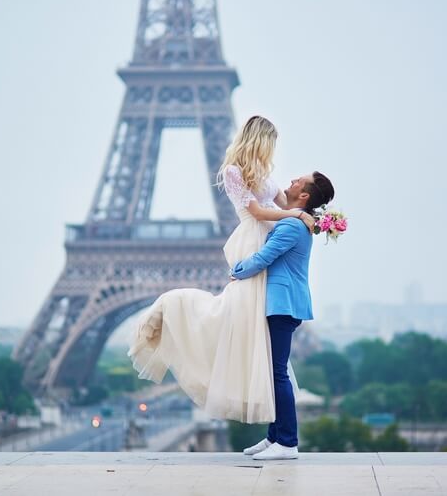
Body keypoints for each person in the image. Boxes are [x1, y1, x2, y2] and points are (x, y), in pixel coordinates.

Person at [128, 115, 315, 424]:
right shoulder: (233, 171)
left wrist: (312, 215)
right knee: (237, 311)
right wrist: (295, 215)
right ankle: (172, 310)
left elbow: (284, 204)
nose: (273, 150)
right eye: (271, 143)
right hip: (253, 236)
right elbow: (256, 210)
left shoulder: (266, 174)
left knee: (254, 327)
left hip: (269, 234)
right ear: (260, 140)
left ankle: (275, 433)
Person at [234, 171, 334, 460]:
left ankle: (287, 442)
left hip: (282, 304)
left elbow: (265, 257)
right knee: (274, 371)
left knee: (277, 373)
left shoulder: (291, 225)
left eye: (297, 182)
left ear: (304, 196)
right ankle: (274, 437)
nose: (290, 181)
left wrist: (236, 271)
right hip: (283, 303)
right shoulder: (295, 220)